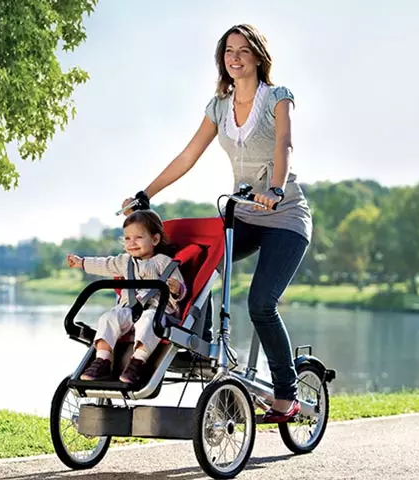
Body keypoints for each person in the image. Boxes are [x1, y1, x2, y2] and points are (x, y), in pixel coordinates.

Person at [121, 24, 312, 422]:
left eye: (244, 50)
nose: (235, 57)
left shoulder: (278, 98)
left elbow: (284, 145)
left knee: (261, 303)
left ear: (258, 56)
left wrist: (274, 189)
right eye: (229, 51)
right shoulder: (219, 106)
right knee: (195, 262)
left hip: (285, 216)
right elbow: (188, 156)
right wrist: (146, 194)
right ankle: (198, 344)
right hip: (242, 214)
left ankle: (287, 394)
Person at [66, 210, 187, 386]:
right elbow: (104, 265)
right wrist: (81, 263)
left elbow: (181, 291)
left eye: (138, 237)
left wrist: (177, 289)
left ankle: (138, 362)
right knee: (108, 318)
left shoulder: (163, 262)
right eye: (127, 239)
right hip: (129, 310)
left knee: (148, 320)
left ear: (154, 239)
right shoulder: (124, 261)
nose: (132, 243)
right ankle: (102, 361)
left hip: (157, 312)